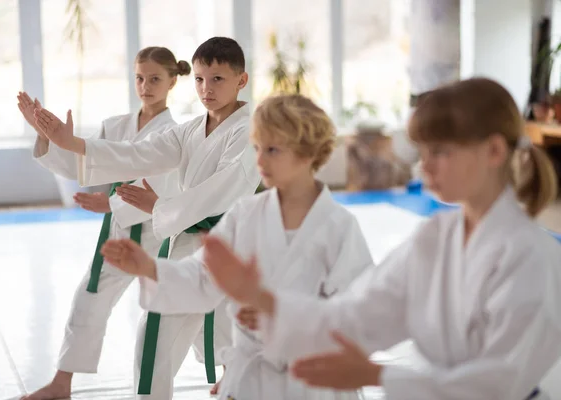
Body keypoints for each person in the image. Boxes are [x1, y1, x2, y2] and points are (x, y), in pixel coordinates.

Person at [202, 78, 561, 400]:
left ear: (494, 152)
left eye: (440, 152)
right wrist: (262, 299)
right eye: (423, 152)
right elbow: (358, 314)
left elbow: (499, 382)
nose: (424, 167)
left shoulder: (532, 255)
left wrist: (378, 374)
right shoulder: (435, 237)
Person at [101, 94, 374, 400]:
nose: (260, 160)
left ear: (308, 152)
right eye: (257, 148)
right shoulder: (245, 215)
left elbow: (359, 315)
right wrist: (149, 267)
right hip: (252, 383)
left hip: (314, 381)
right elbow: (203, 276)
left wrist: (287, 317)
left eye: (272, 150)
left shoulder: (338, 227)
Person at [32, 37, 261, 399]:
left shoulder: (248, 131)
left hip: (225, 248)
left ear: (241, 80)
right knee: (160, 337)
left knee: (218, 337)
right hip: (187, 247)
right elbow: (138, 155)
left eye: (217, 79)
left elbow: (222, 189)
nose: (206, 88)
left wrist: (159, 207)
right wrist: (71, 142)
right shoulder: (190, 130)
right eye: (200, 79)